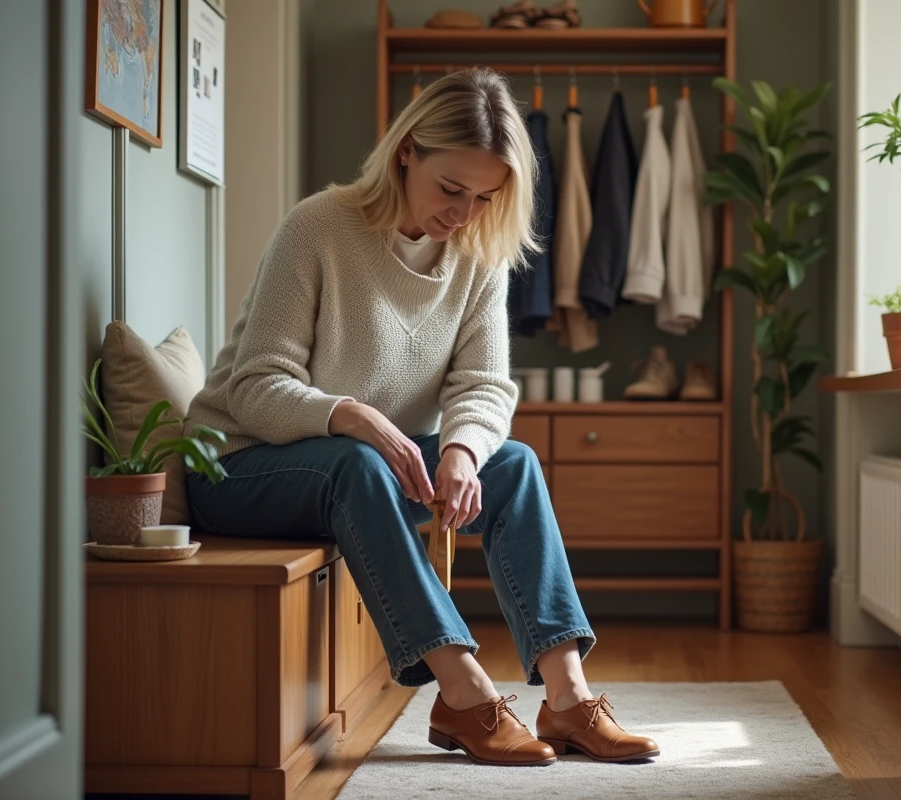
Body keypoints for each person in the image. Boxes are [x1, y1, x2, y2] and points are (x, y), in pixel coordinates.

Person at [185, 66, 659, 767]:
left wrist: (463, 451)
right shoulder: (317, 227)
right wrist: (360, 418)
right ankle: (462, 691)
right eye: (451, 189)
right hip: (241, 467)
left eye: (485, 196)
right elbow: (257, 388)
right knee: (356, 460)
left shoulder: (476, 253)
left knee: (513, 464)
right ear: (407, 150)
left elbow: (485, 385)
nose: (465, 212)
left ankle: (567, 698)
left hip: (365, 469)